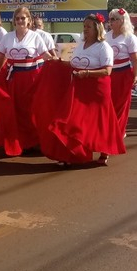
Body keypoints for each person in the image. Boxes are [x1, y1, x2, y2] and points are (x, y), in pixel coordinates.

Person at [35, 13, 125, 166]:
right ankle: (72, 155)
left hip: (97, 90)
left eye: (88, 27)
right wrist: (58, 62)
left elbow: (107, 71)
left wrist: (87, 73)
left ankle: (105, 150)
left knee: (99, 123)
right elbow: (73, 64)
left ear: (97, 29)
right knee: (74, 122)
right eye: (84, 26)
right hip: (78, 89)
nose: (85, 29)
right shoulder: (80, 45)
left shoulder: (104, 47)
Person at [0, 6, 53, 155]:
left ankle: (34, 141)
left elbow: (45, 55)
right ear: (14, 20)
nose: (20, 21)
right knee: (16, 110)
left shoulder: (35, 37)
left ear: (29, 20)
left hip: (32, 78)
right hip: (14, 79)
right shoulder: (8, 37)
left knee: (31, 110)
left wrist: (58, 63)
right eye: (17, 18)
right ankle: (19, 141)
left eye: (23, 18)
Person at [105, 8, 137, 137]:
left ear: (122, 21)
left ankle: (117, 132)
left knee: (120, 105)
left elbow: (135, 59)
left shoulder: (130, 37)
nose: (111, 22)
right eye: (110, 19)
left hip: (124, 74)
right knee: (109, 104)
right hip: (108, 74)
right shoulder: (106, 36)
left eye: (114, 19)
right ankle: (110, 129)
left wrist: (136, 75)